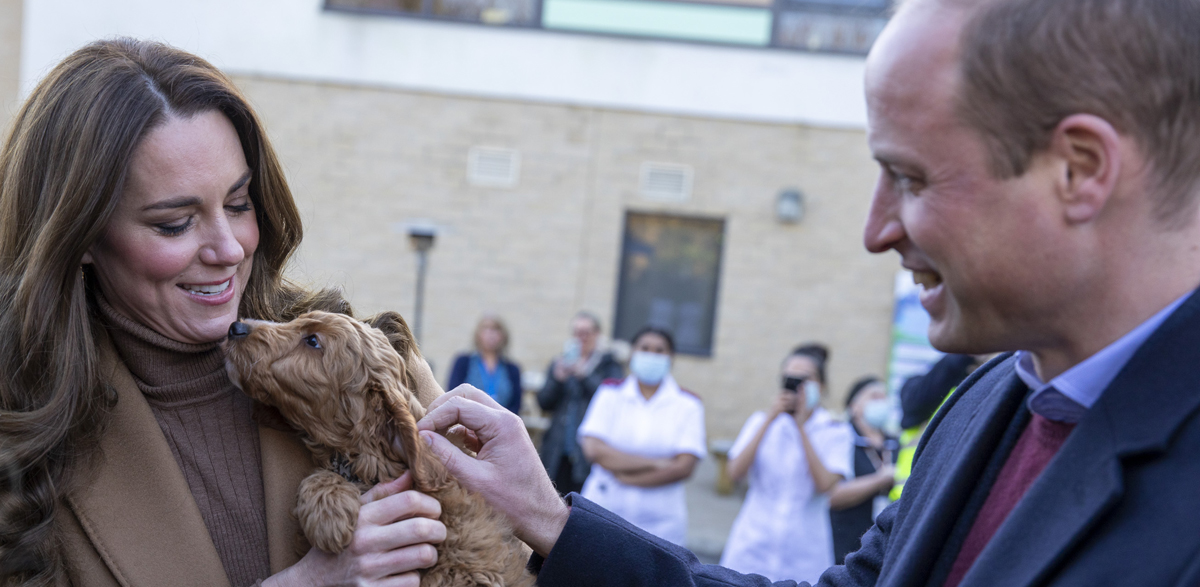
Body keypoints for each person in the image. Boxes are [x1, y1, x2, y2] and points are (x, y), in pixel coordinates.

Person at [413, 0, 1200, 585]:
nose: (876, 230)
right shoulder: (987, 403)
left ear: (1081, 170)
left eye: (910, 177)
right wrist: (550, 517)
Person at [0, 39, 446, 586]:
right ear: (79, 235)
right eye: (174, 223)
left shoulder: (371, 367)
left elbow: (500, 559)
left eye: (239, 204)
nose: (228, 249)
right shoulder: (19, 431)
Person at [720, 344, 853, 583]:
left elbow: (825, 485)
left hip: (803, 551)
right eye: (790, 379)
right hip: (753, 544)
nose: (797, 386)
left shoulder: (836, 430)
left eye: (805, 380)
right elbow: (734, 473)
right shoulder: (761, 421)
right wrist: (770, 418)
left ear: (821, 386)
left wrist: (800, 427)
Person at [577, 326, 706, 546]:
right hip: (603, 509)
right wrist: (657, 464)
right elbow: (594, 450)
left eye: (659, 350)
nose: (651, 355)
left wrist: (628, 478)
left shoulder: (688, 404)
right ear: (632, 353)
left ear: (671, 358)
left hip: (660, 522)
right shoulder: (610, 394)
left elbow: (684, 467)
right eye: (644, 348)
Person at [536, 311, 623, 496]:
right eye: (577, 333)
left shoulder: (609, 365)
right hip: (558, 452)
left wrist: (585, 375)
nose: (581, 338)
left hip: (589, 456)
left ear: (597, 335)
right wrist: (557, 380)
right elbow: (544, 403)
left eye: (586, 332)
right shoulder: (560, 363)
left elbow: (613, 402)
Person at [828, 376, 897, 565]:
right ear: (854, 406)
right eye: (874, 397)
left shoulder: (895, 442)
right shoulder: (842, 438)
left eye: (884, 397)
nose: (881, 402)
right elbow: (832, 496)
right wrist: (879, 480)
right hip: (844, 547)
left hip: (885, 550)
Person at [447, 315, 522, 414]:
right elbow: (453, 395)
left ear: (503, 335)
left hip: (502, 423)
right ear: (478, 334)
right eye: (486, 328)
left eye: (495, 329)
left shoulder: (512, 369)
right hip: (467, 420)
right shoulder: (463, 362)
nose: (490, 334)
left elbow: (516, 405)